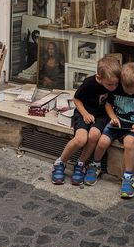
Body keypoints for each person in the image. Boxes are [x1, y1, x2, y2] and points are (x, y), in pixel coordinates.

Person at [84, 62, 134, 198]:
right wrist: (112, 117)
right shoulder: (116, 89)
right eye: (126, 88)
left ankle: (128, 176)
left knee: (129, 143)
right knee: (103, 141)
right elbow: (108, 105)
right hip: (115, 124)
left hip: (133, 127)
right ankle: (95, 165)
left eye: (132, 90)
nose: (128, 92)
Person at [50, 56, 121, 185]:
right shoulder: (89, 83)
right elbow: (76, 99)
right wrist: (85, 114)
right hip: (84, 112)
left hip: (101, 116)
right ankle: (60, 162)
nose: (114, 87)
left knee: (94, 135)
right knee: (81, 139)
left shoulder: (115, 85)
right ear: (99, 78)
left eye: (116, 84)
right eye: (110, 84)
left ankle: (81, 163)